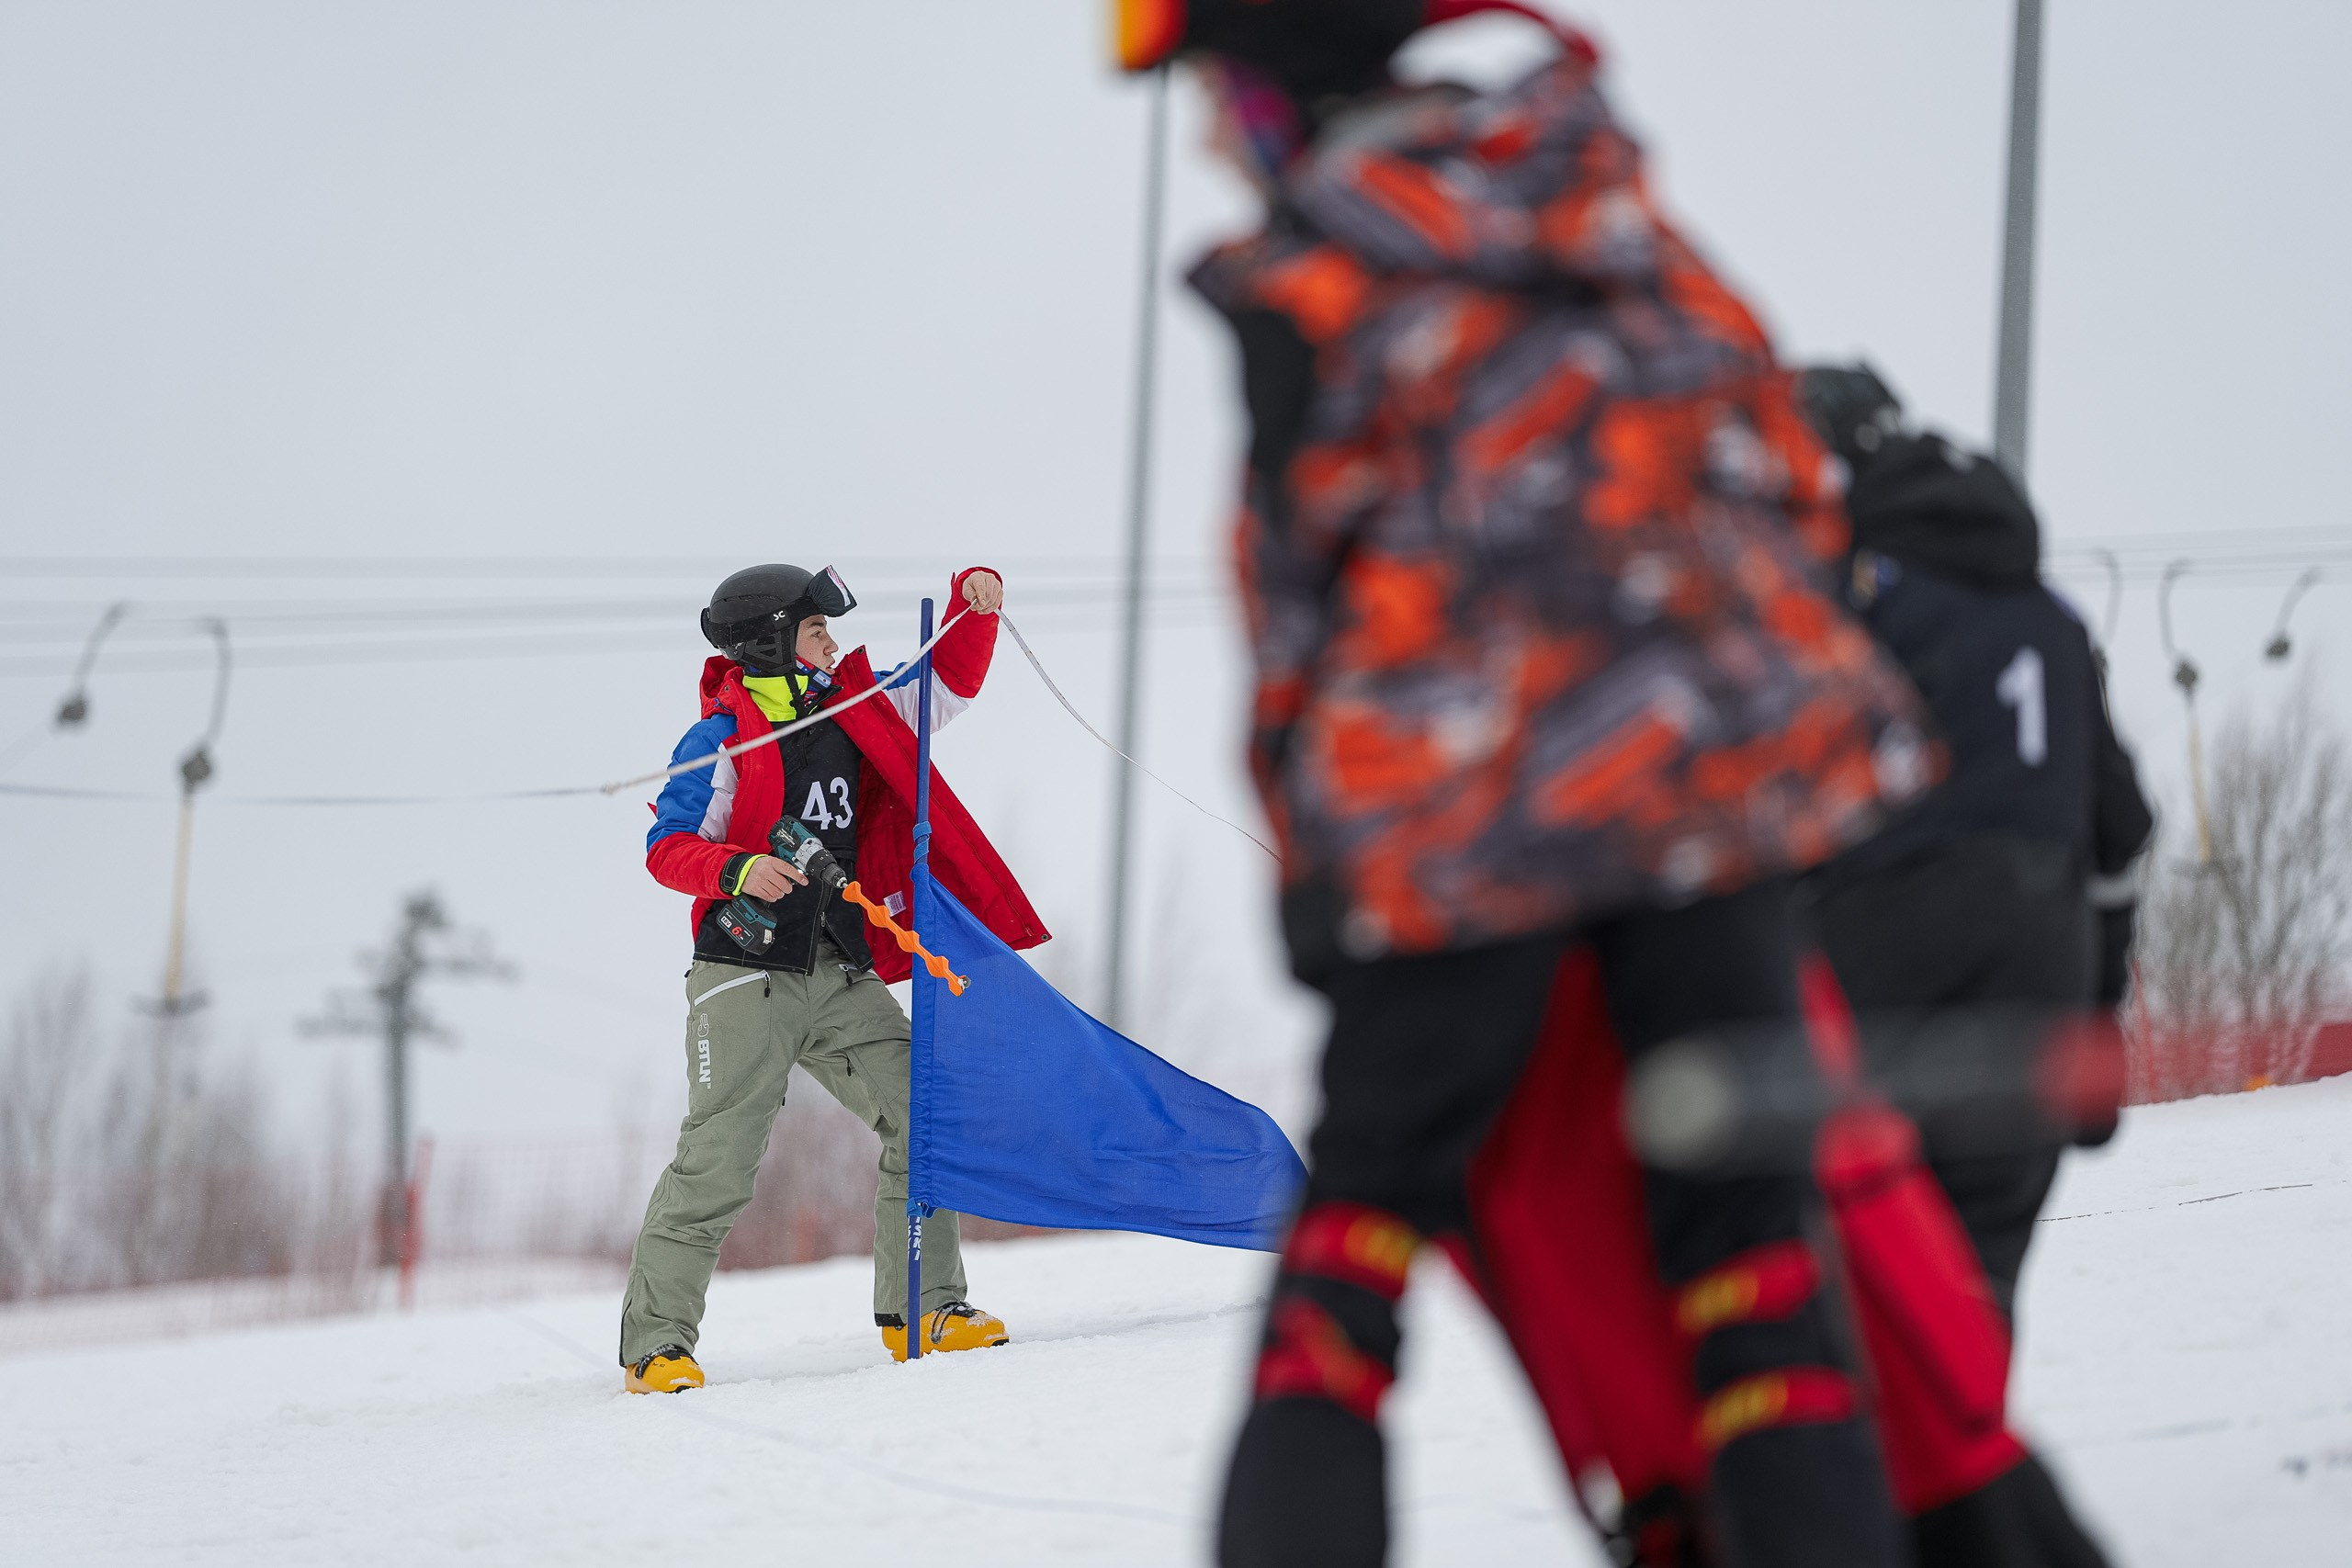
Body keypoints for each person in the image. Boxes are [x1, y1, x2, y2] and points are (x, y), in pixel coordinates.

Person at [1116, 4, 1939, 1563]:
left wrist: (1314, 873)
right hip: (1709, 822)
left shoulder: (1321, 280)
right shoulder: (1623, 223)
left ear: (1282, 95)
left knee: (1353, 1249)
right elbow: (1785, 472)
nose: (1214, 138)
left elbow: (1294, 604)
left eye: (1217, 99)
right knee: (1753, 1260)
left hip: (1459, 834)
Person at [1796, 363, 2154, 1565]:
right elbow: (2122, 831)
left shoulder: (1842, 587)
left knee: (1835, 1255)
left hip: (1882, 935)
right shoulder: (2046, 613)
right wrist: (2096, 1019)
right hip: (2042, 948)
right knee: (1967, 1274)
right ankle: (1958, 1517)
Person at [618, 562, 1050, 1390]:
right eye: (818, 630)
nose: (833, 642)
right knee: (721, 1158)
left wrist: (974, 601)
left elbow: (948, 681)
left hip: (841, 967)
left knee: (922, 1111)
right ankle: (656, 1344)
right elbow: (666, 849)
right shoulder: (717, 741)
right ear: (772, 642)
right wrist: (739, 870)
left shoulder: (857, 708)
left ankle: (925, 1306)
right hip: (745, 974)